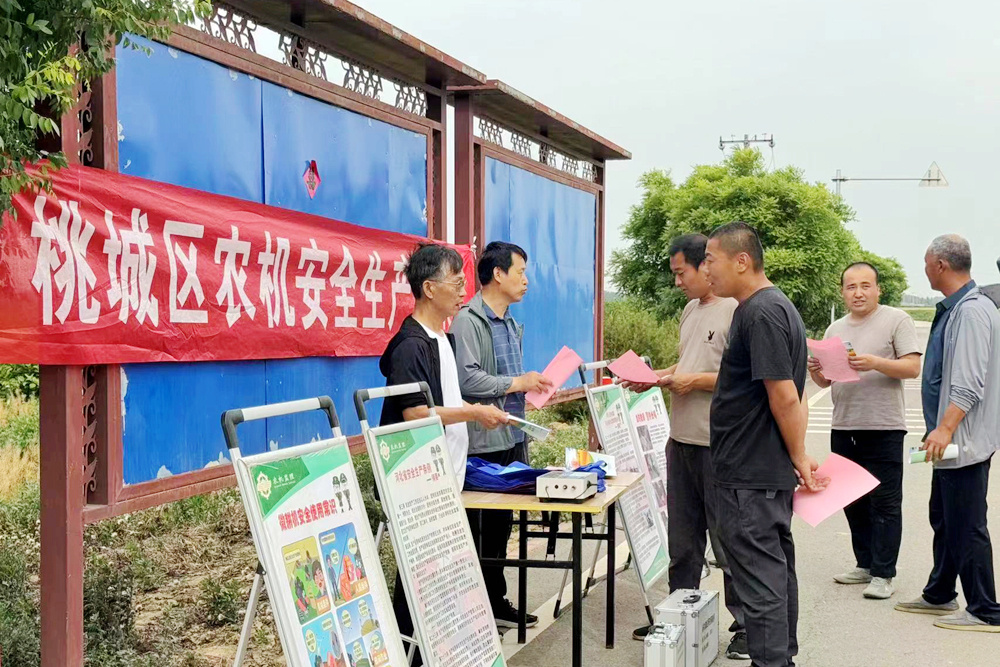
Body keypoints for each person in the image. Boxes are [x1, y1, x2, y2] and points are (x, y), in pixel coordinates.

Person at [378, 243, 509, 664]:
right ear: (429, 288)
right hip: (417, 484)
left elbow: (447, 400)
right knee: (417, 584)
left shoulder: (441, 339)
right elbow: (416, 414)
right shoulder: (411, 345)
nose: (463, 289)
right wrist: (473, 412)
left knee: (436, 582)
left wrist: (478, 410)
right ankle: (408, 657)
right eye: (455, 281)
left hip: (446, 478)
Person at [703, 222, 826, 667]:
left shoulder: (762, 312)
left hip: (749, 474)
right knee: (773, 572)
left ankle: (771, 661)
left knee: (759, 580)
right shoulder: (766, 308)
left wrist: (799, 455)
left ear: (742, 261)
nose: (706, 269)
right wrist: (796, 453)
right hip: (756, 471)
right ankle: (780, 658)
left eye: (711, 260)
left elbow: (785, 395)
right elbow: (791, 394)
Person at [622, 234, 747, 659]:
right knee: (683, 540)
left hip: (718, 444)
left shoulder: (736, 311)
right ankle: (676, 617)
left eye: (681, 273)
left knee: (727, 540)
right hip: (681, 442)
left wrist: (692, 382)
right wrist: (657, 377)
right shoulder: (691, 310)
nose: (677, 282)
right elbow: (689, 363)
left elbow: (741, 378)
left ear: (705, 267)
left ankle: (746, 625)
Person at [894, 234, 1000, 632]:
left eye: (926, 263)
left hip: (962, 439)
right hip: (951, 437)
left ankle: (985, 610)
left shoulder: (971, 312)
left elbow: (969, 382)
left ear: (940, 265)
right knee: (944, 516)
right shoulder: (957, 308)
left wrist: (944, 428)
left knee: (967, 523)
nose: (924, 270)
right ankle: (939, 592)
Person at [450, 241, 553, 629]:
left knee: (500, 528)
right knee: (479, 530)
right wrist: (517, 382)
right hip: (483, 442)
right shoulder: (468, 320)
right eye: (520, 272)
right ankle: (472, 613)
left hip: (512, 437)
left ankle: (494, 601)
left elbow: (508, 379)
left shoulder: (509, 322)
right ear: (497, 274)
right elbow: (467, 380)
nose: (526, 280)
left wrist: (530, 386)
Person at [809, 262, 921, 600]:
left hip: (884, 426)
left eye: (865, 286)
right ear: (842, 292)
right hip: (844, 424)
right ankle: (865, 564)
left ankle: (884, 574)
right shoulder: (835, 328)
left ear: (877, 289)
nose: (858, 293)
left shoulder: (896, 320)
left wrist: (875, 362)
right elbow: (825, 382)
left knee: (884, 502)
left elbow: (912, 367)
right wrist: (816, 370)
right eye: (851, 287)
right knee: (851, 500)